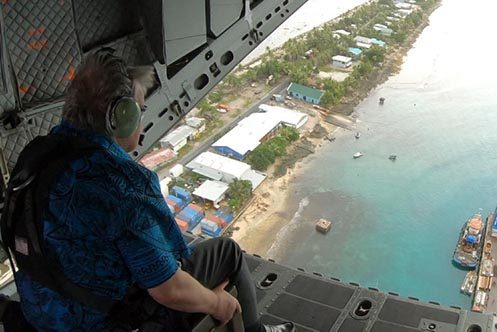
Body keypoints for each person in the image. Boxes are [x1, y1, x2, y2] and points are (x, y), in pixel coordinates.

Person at [9, 52, 293, 332]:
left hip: (42, 314)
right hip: (108, 320)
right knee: (227, 251)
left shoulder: (35, 157)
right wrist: (217, 304)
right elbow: (167, 288)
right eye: (140, 109)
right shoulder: (121, 182)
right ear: (122, 115)